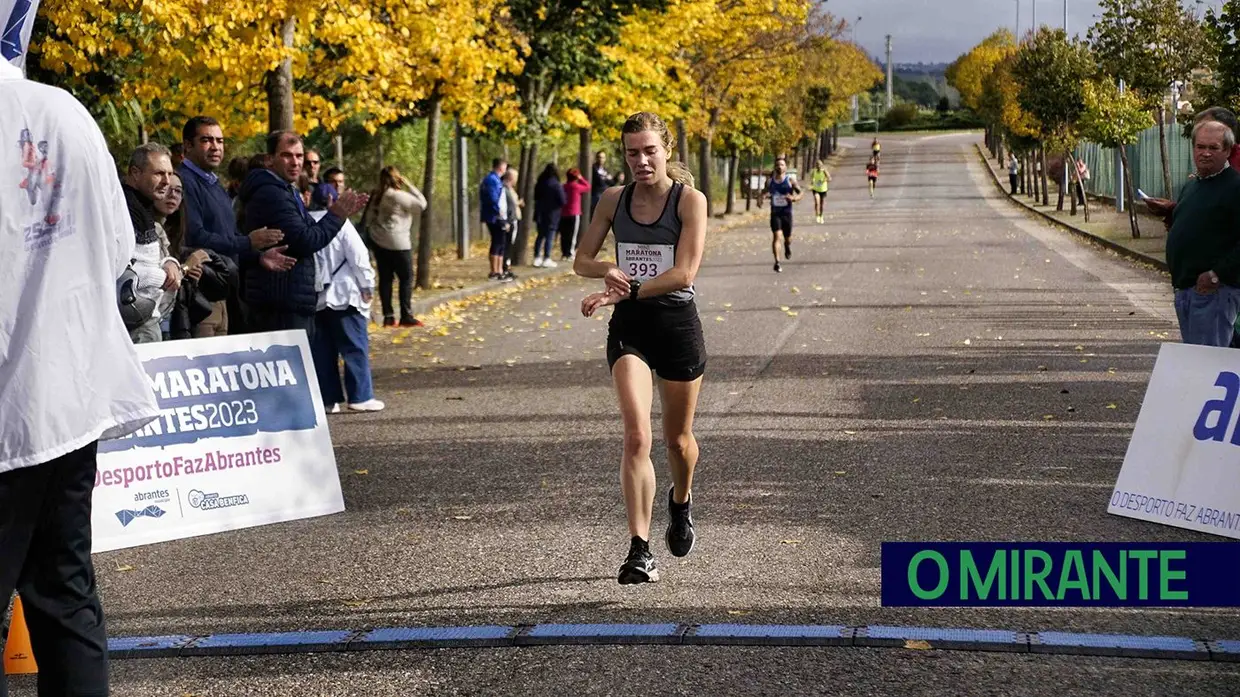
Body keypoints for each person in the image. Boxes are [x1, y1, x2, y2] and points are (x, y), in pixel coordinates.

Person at [2, 40, 161, 697]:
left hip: (14, 414)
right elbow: (120, 247)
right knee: (66, 597)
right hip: (68, 404)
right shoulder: (64, 112)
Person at [574, 111, 708, 585]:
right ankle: (639, 549)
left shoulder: (690, 201)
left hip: (676, 324)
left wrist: (626, 289)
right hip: (630, 325)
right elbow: (581, 261)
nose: (642, 161)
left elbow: (684, 274)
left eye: (650, 150)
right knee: (636, 436)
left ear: (667, 150)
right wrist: (608, 268)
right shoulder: (614, 199)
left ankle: (681, 500)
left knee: (677, 441)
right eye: (633, 152)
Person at [238, 130, 367, 339]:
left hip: (290, 300)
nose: (295, 162)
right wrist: (336, 215)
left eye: (299, 156)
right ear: (270, 159)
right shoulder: (272, 193)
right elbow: (306, 240)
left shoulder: (285, 190)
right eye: (286, 155)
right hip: (281, 304)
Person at [179, 115, 288, 337]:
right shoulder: (184, 182)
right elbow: (196, 237)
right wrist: (247, 242)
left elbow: (228, 236)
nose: (215, 147)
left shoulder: (213, 183)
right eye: (206, 140)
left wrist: (256, 255)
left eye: (219, 141)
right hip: (201, 295)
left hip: (223, 290)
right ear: (188, 145)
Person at [1165, 119, 1240, 347]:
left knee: (1208, 365)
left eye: (1213, 148)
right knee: (1196, 363)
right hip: (1186, 290)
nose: (1205, 153)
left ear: (1227, 151)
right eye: (1200, 147)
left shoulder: (1235, 187)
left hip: (1214, 291)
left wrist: (1216, 274)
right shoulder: (1193, 185)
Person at [310, 203, 384, 412]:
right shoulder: (339, 222)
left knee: (322, 350)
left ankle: (327, 399)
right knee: (354, 347)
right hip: (344, 294)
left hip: (316, 298)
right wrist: (367, 285)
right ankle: (360, 396)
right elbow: (358, 256)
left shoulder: (301, 223)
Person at [156, 173, 240, 339]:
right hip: (159, 320)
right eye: (166, 189)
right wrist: (186, 267)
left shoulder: (179, 230)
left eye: (178, 191)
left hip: (182, 314)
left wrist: (192, 272)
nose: (172, 195)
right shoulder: (145, 228)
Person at [121, 142, 182, 343]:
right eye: (159, 173)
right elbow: (121, 272)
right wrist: (162, 276)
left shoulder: (143, 208)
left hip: (146, 320)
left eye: (169, 173)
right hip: (132, 324)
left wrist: (169, 262)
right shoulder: (121, 211)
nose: (167, 181)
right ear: (136, 173)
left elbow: (146, 257)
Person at [361, 165, 427, 326]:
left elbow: (368, 217)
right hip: (399, 242)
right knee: (406, 278)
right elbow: (421, 205)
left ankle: (388, 316)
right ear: (397, 178)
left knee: (386, 278)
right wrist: (410, 185)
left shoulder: (377, 195)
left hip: (379, 241)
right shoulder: (398, 196)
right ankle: (406, 314)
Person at [760, 156, 801, 273]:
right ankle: (777, 262)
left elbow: (801, 193)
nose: (779, 167)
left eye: (781, 165)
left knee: (787, 238)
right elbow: (763, 192)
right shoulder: (770, 181)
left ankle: (787, 246)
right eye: (777, 165)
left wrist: (794, 198)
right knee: (776, 236)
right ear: (775, 167)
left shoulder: (790, 181)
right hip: (775, 213)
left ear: (785, 167)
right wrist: (761, 198)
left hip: (787, 214)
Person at [479, 158, 514, 281]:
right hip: (495, 217)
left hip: (497, 216)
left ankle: (499, 270)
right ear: (500, 167)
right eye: (504, 166)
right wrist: (500, 216)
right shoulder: (492, 180)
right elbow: (494, 200)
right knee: (497, 242)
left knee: (500, 243)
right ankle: (494, 271)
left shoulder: (495, 180)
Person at [533, 163, 566, 268]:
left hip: (540, 213)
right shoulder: (556, 185)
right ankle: (546, 258)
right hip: (552, 214)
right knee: (549, 236)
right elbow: (562, 200)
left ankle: (537, 257)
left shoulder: (540, 183)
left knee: (540, 235)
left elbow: (535, 197)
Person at [559, 167, 591, 260]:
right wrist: (581, 178)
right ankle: (570, 253)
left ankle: (564, 253)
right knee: (572, 234)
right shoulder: (576, 187)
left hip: (563, 213)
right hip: (574, 213)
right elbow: (588, 186)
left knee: (564, 234)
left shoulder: (563, 186)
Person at [502, 168, 522, 277]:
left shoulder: (510, 189)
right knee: (508, 244)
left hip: (514, 218)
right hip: (510, 220)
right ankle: (505, 267)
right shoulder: (505, 189)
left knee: (510, 244)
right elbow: (508, 205)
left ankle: (507, 265)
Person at [808, 159, 831, 224]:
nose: (818, 166)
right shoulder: (814, 171)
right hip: (815, 189)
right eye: (817, 165)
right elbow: (811, 179)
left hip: (823, 189)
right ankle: (817, 216)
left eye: (819, 165)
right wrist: (811, 184)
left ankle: (821, 215)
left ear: (822, 165)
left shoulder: (824, 171)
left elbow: (829, 178)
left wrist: (824, 180)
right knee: (817, 202)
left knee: (821, 204)